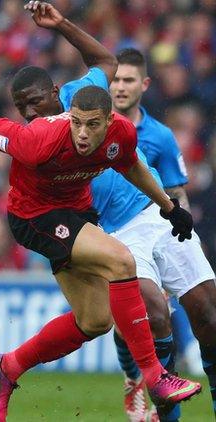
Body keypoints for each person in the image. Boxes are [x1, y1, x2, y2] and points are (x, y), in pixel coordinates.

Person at [0, 86, 200, 422]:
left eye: (92, 125)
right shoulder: (40, 140)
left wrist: (169, 208)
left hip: (76, 213)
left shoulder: (121, 133)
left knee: (95, 320)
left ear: (110, 120)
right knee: (121, 260)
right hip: (33, 218)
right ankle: (156, 377)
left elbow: (131, 165)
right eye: (76, 123)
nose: (82, 133)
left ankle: (8, 366)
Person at [105, 48, 216, 421]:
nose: (120, 87)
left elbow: (176, 190)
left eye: (128, 80)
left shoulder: (160, 137)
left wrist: (185, 231)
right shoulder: (88, 127)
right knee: (143, 317)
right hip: (113, 235)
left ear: (143, 84)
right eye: (115, 79)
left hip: (158, 223)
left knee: (206, 314)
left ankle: (151, 389)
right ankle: (135, 380)